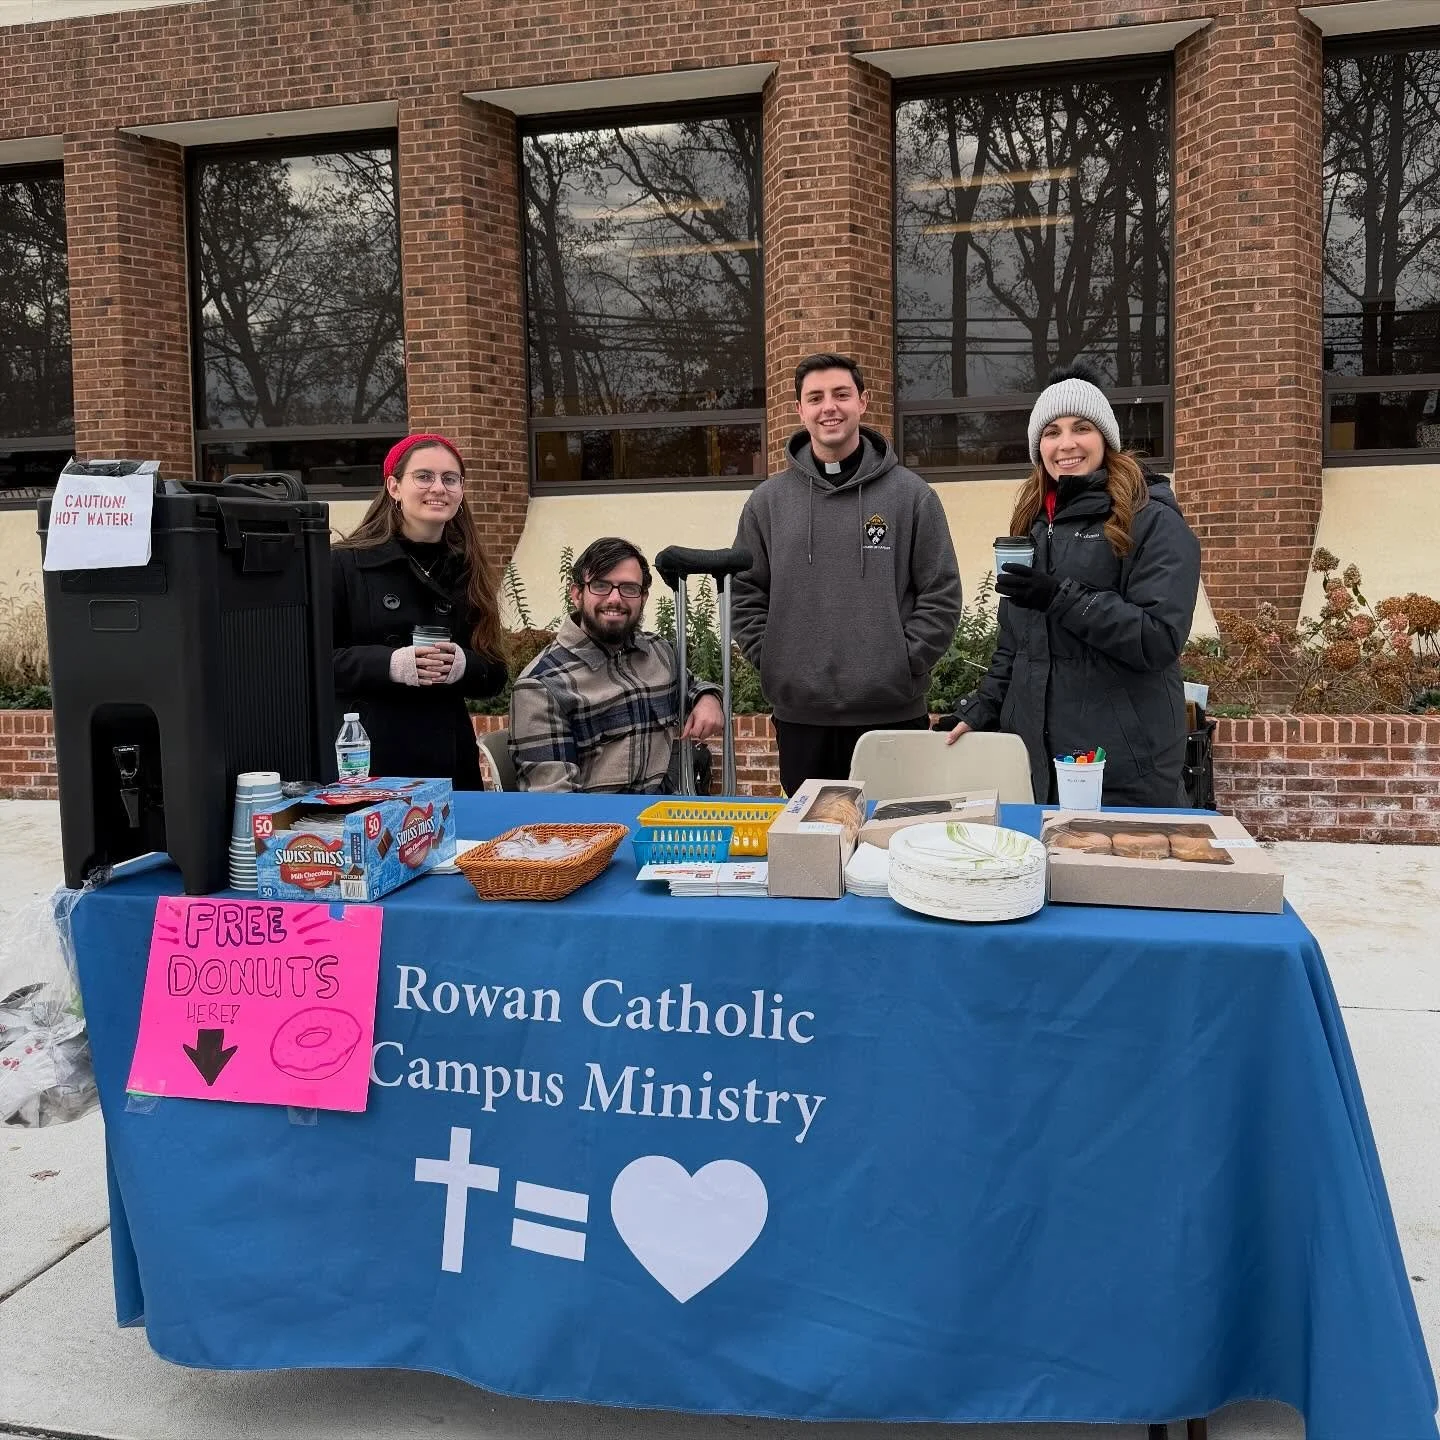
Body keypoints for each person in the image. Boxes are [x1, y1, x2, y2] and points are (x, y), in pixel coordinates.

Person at [944, 361, 1202, 806]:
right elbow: (1016, 642)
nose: (1066, 444)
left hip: (1122, 765)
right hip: (1037, 761)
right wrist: (981, 708)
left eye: (1080, 427)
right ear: (1037, 446)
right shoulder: (1033, 524)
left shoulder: (1151, 519)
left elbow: (1158, 639)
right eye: (1051, 432)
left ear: (1105, 438)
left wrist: (1061, 598)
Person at [730, 353, 962, 795]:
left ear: (863, 402)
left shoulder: (912, 496)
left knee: (891, 843)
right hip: (802, 718)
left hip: (892, 714)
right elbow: (745, 594)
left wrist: (902, 664)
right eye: (815, 398)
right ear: (799, 410)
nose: (828, 407)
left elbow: (941, 592)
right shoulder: (767, 503)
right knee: (815, 847)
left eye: (841, 394)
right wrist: (777, 660)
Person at [332, 434, 508, 789]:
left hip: (448, 758)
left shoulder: (468, 568)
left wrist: (463, 665)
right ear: (394, 486)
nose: (438, 488)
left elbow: (496, 673)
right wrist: (390, 665)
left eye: (450, 478)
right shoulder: (343, 564)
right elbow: (312, 663)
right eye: (424, 476)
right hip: (373, 757)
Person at [509, 537, 725, 792]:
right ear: (576, 594)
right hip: (599, 827)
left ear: (643, 597)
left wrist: (709, 698)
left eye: (629, 588)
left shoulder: (659, 652)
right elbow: (554, 800)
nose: (615, 598)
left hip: (664, 819)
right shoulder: (542, 686)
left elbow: (694, 686)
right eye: (600, 585)